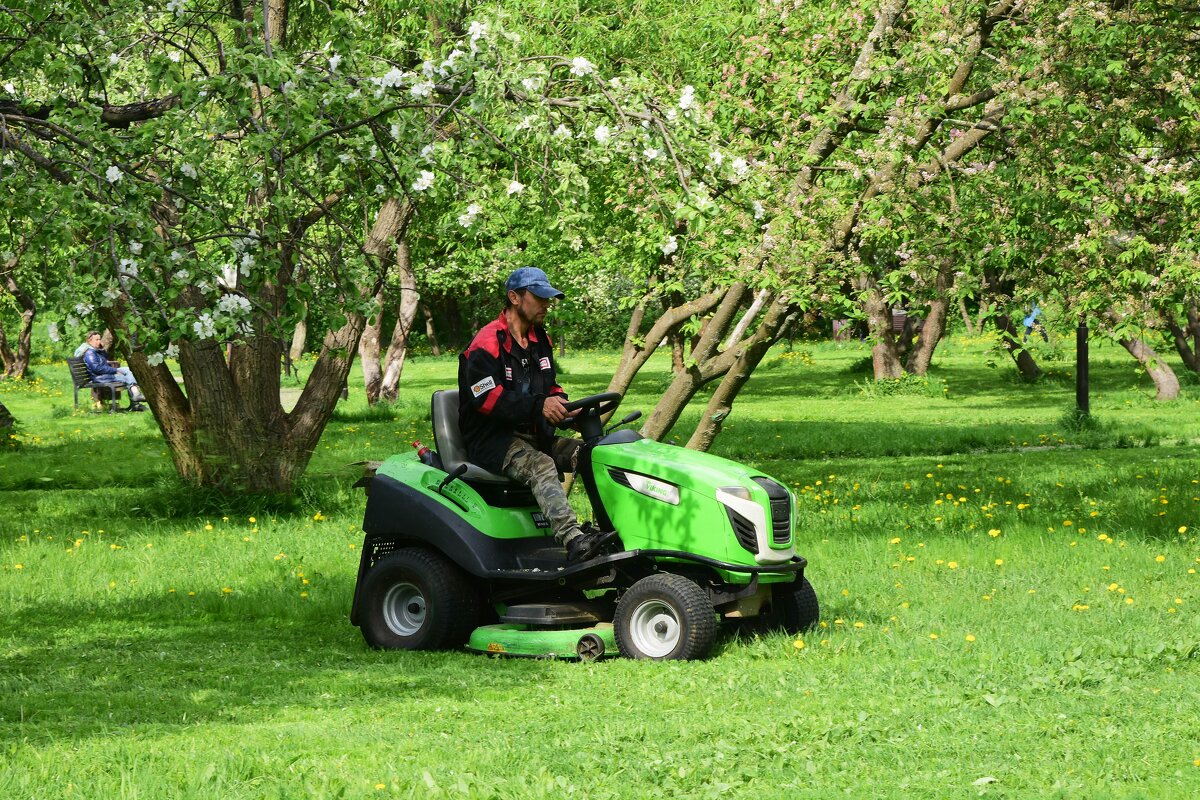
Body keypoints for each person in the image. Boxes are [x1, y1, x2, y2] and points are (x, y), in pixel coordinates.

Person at [458, 267, 617, 562]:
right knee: (541, 464)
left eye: (549, 298)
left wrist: (564, 404)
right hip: (494, 442)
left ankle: (612, 531)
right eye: (540, 297)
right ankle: (574, 541)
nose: (547, 304)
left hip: (536, 435)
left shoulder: (539, 339)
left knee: (593, 454)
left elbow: (550, 386)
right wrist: (539, 406)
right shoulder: (486, 342)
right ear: (514, 297)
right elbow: (486, 399)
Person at [81, 331, 147, 411]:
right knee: (127, 378)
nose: (99, 341)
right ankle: (135, 400)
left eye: (100, 339)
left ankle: (136, 395)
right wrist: (114, 370)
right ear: (89, 341)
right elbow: (97, 368)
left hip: (104, 374)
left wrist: (102, 349)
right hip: (100, 377)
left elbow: (103, 361)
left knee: (129, 370)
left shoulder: (96, 351)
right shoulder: (90, 353)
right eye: (96, 340)